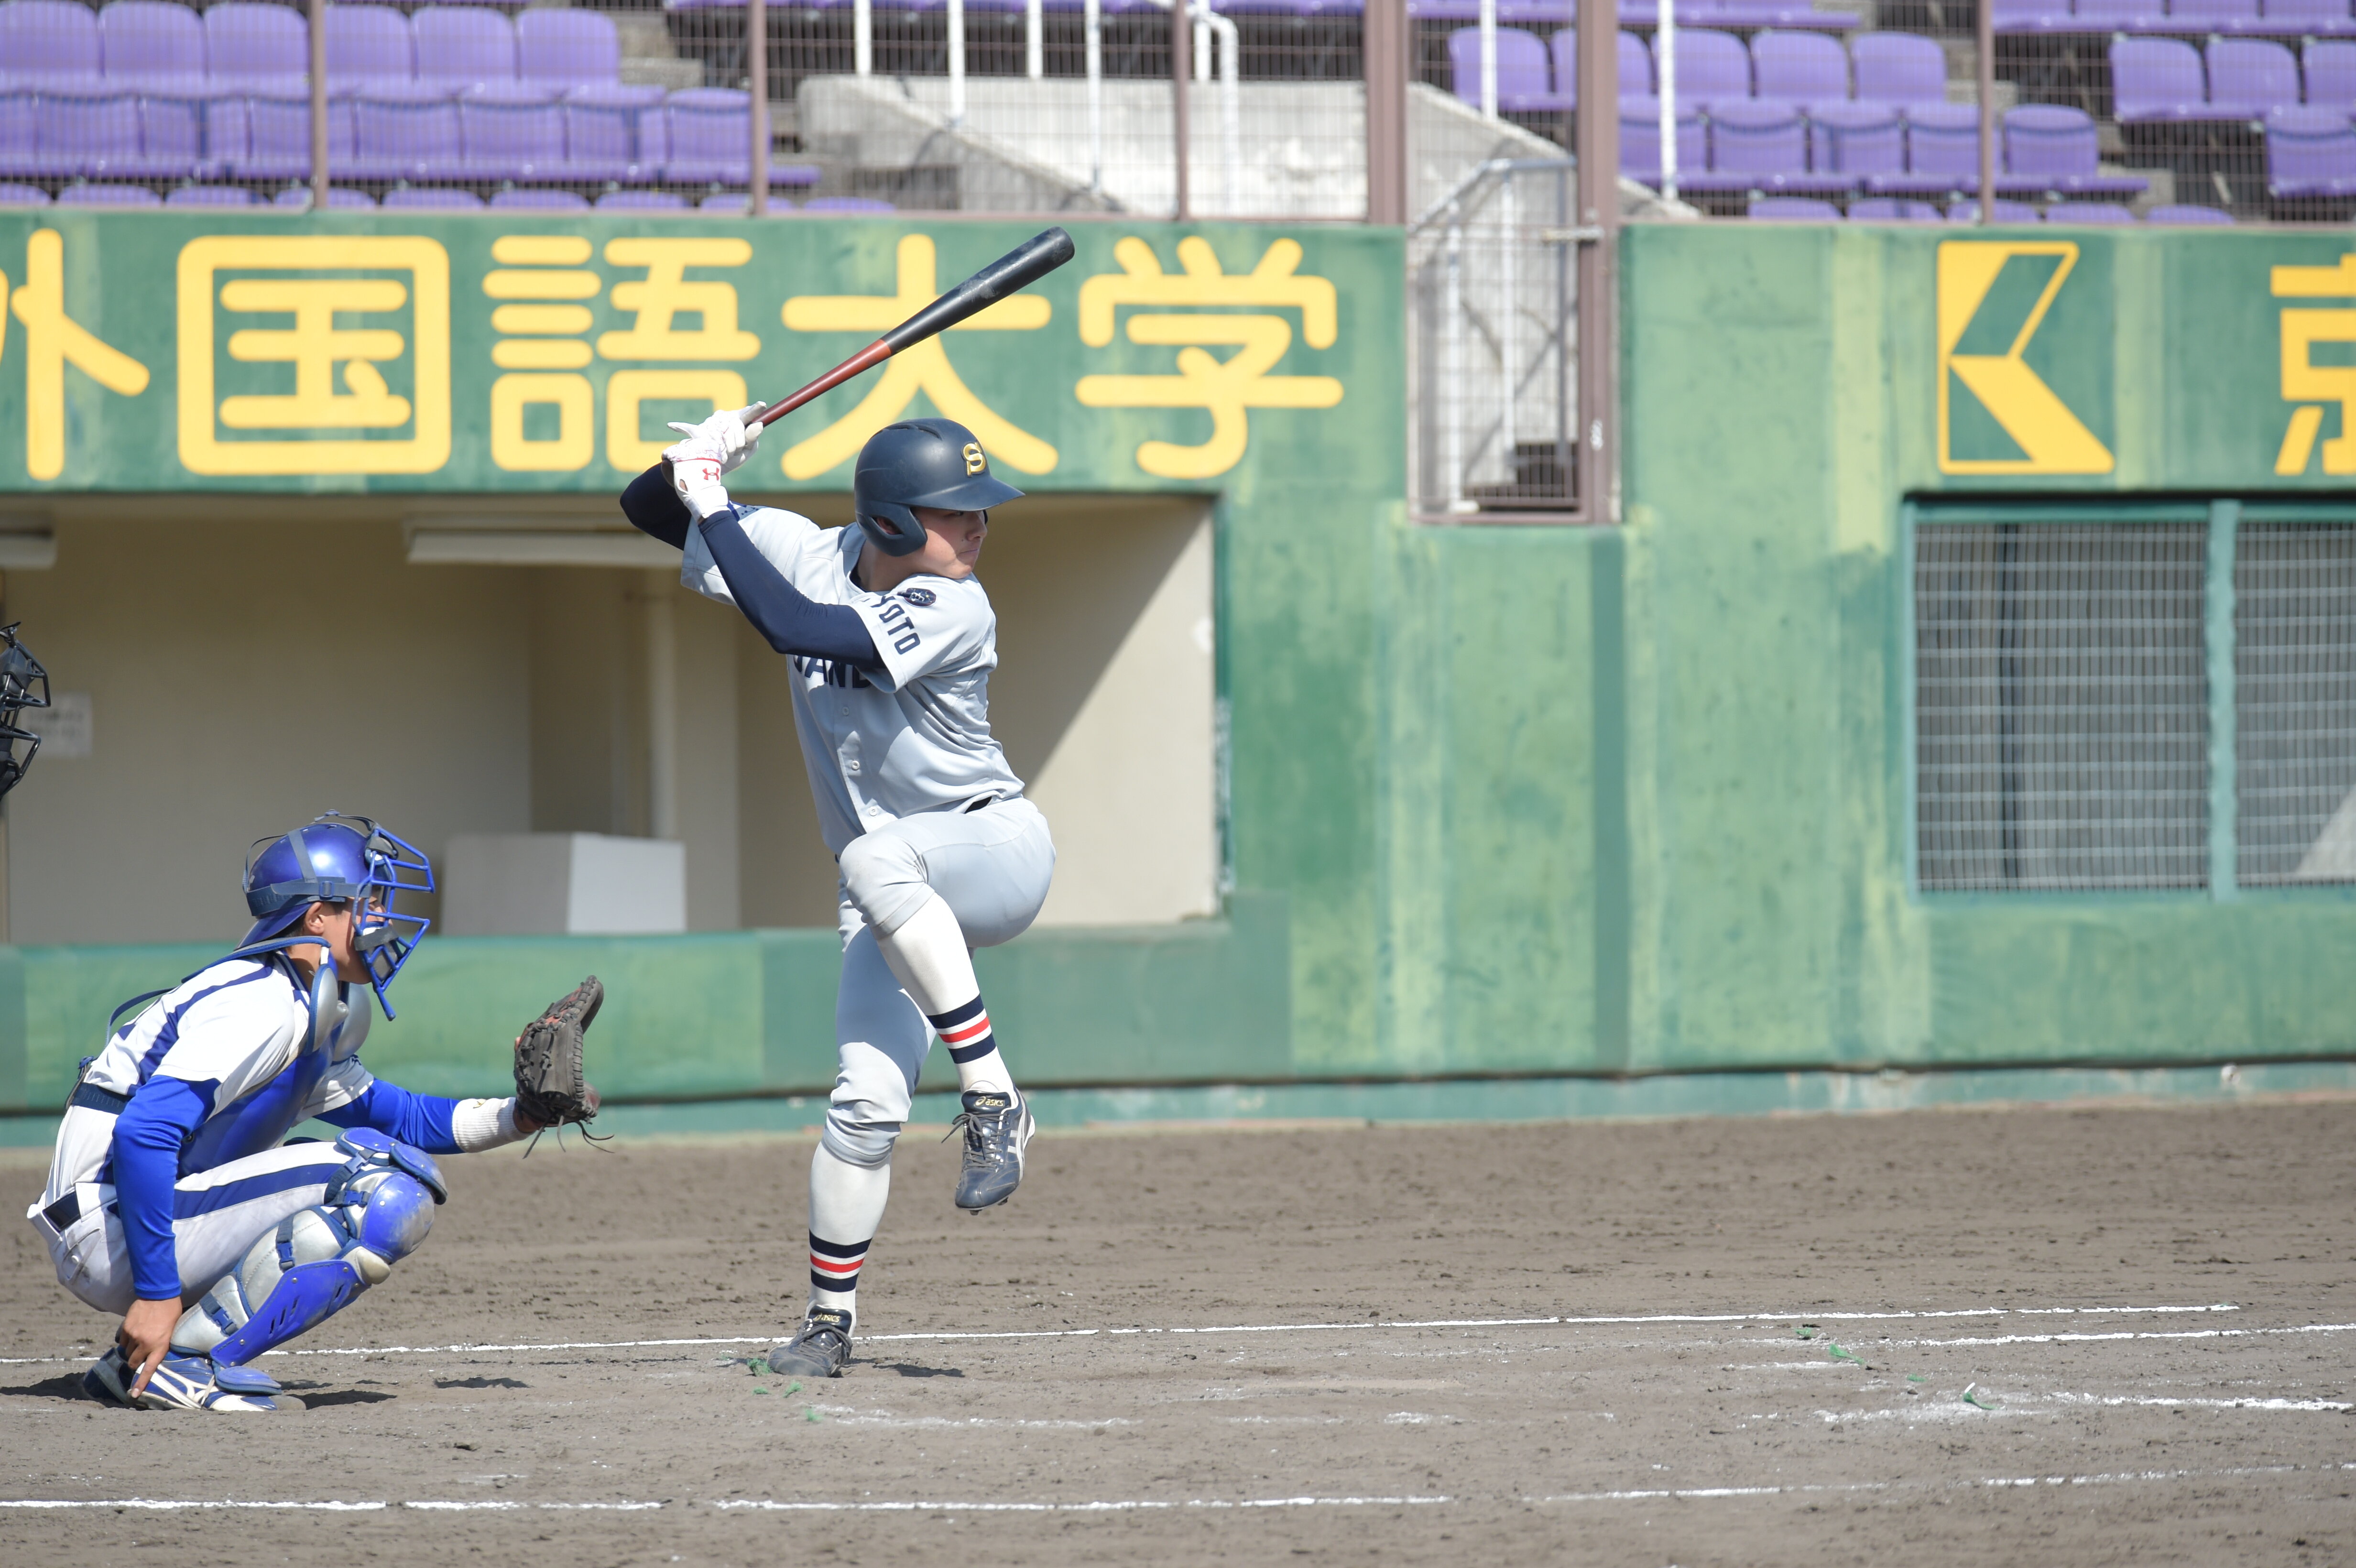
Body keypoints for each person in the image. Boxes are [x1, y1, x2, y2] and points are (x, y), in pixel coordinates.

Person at [619, 407, 1056, 1381]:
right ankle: (828, 1321)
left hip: (990, 846)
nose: (979, 528)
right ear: (892, 522)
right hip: (889, 884)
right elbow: (645, 506)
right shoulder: (810, 550)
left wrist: (719, 507)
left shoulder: (959, 605)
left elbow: (792, 627)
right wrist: (698, 461)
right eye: (958, 512)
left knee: (875, 856)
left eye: (982, 512)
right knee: (863, 1103)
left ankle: (992, 1091)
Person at [29, 815, 593, 1412]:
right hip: (110, 1222)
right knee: (383, 1185)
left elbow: (401, 1115)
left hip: (126, 1217)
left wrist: (523, 1115)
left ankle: (139, 1366)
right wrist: (157, 1294)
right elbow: (145, 1132)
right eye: (368, 901)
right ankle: (185, 1363)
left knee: (390, 1165)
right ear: (316, 917)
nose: (381, 919)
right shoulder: (260, 1001)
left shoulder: (300, 1006)